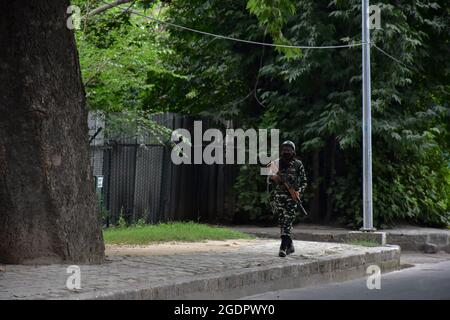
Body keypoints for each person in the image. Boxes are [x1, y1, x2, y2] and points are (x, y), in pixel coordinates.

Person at [267, 140, 307, 257]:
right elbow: (268, 179)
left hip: (292, 197)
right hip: (279, 197)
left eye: (289, 150)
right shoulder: (276, 164)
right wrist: (275, 178)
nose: (286, 152)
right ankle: (290, 245)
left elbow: (304, 181)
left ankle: (283, 248)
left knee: (287, 221)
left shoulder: (298, 164)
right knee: (282, 222)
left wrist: (299, 192)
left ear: (293, 151)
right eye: (284, 149)